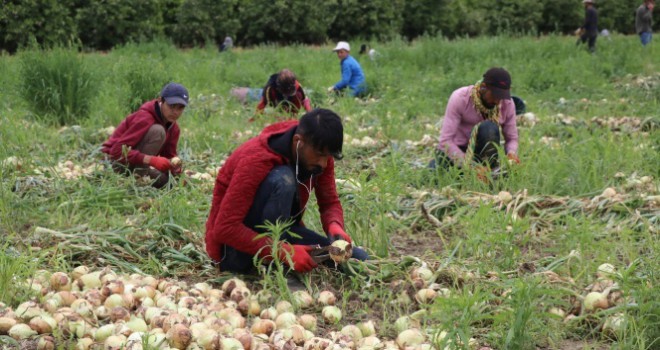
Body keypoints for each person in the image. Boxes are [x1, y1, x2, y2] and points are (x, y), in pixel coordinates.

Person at [205, 109, 368, 273]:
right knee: (283, 179)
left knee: (357, 258)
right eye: (320, 155)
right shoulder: (255, 159)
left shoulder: (319, 152)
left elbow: (329, 202)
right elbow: (225, 228)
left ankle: (282, 258)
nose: (324, 163)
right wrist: (284, 252)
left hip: (285, 235)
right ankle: (274, 263)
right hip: (235, 251)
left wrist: (334, 225)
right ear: (298, 142)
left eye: (328, 157)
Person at [431, 68, 520, 180]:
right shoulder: (460, 98)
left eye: (501, 97)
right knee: (432, 175)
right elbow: (445, 142)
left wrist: (512, 154)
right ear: (483, 87)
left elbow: (512, 139)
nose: (498, 102)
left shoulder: (508, 104)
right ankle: (475, 175)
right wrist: (470, 166)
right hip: (457, 152)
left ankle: (489, 172)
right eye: (494, 95)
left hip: (483, 155)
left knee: (489, 128)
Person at [102, 83, 188, 188]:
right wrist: (151, 160)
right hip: (114, 164)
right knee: (158, 131)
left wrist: (177, 172)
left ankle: (139, 177)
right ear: (160, 100)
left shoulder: (174, 128)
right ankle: (136, 177)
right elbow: (116, 151)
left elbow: (169, 157)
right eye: (171, 106)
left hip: (137, 165)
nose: (175, 112)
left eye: (180, 108)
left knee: (170, 182)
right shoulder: (145, 117)